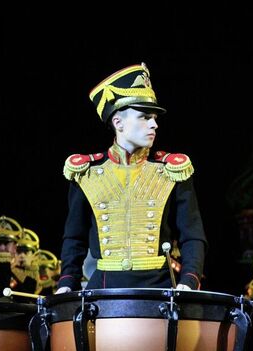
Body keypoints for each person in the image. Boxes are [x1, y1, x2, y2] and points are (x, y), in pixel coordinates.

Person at [56, 63, 207, 293]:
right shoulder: (87, 173)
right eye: (145, 116)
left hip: (160, 288)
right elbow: (74, 238)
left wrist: (189, 280)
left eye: (154, 117)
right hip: (104, 289)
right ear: (118, 123)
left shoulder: (172, 170)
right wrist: (67, 283)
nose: (154, 124)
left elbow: (192, 235)